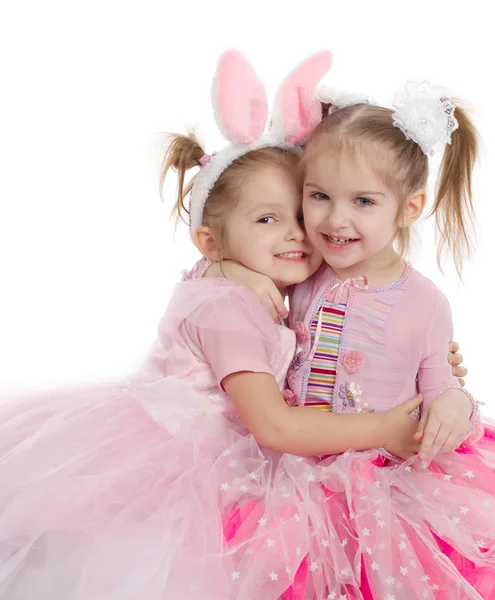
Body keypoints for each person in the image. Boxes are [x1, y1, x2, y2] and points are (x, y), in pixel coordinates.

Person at [0, 50, 467, 600]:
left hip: (340, 469)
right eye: (306, 204)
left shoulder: (300, 277)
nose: (310, 229)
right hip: (225, 464)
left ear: (408, 208)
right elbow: (274, 424)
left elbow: (427, 364)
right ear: (214, 240)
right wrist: (382, 429)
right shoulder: (237, 301)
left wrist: (451, 392)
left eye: (302, 209)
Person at [205, 80, 495, 598]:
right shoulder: (301, 267)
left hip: (384, 482)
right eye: (319, 196)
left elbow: (441, 388)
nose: (335, 219)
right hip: (288, 472)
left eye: (363, 202)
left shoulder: (423, 303)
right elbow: (207, 270)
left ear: (408, 208)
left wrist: (456, 406)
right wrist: (236, 272)